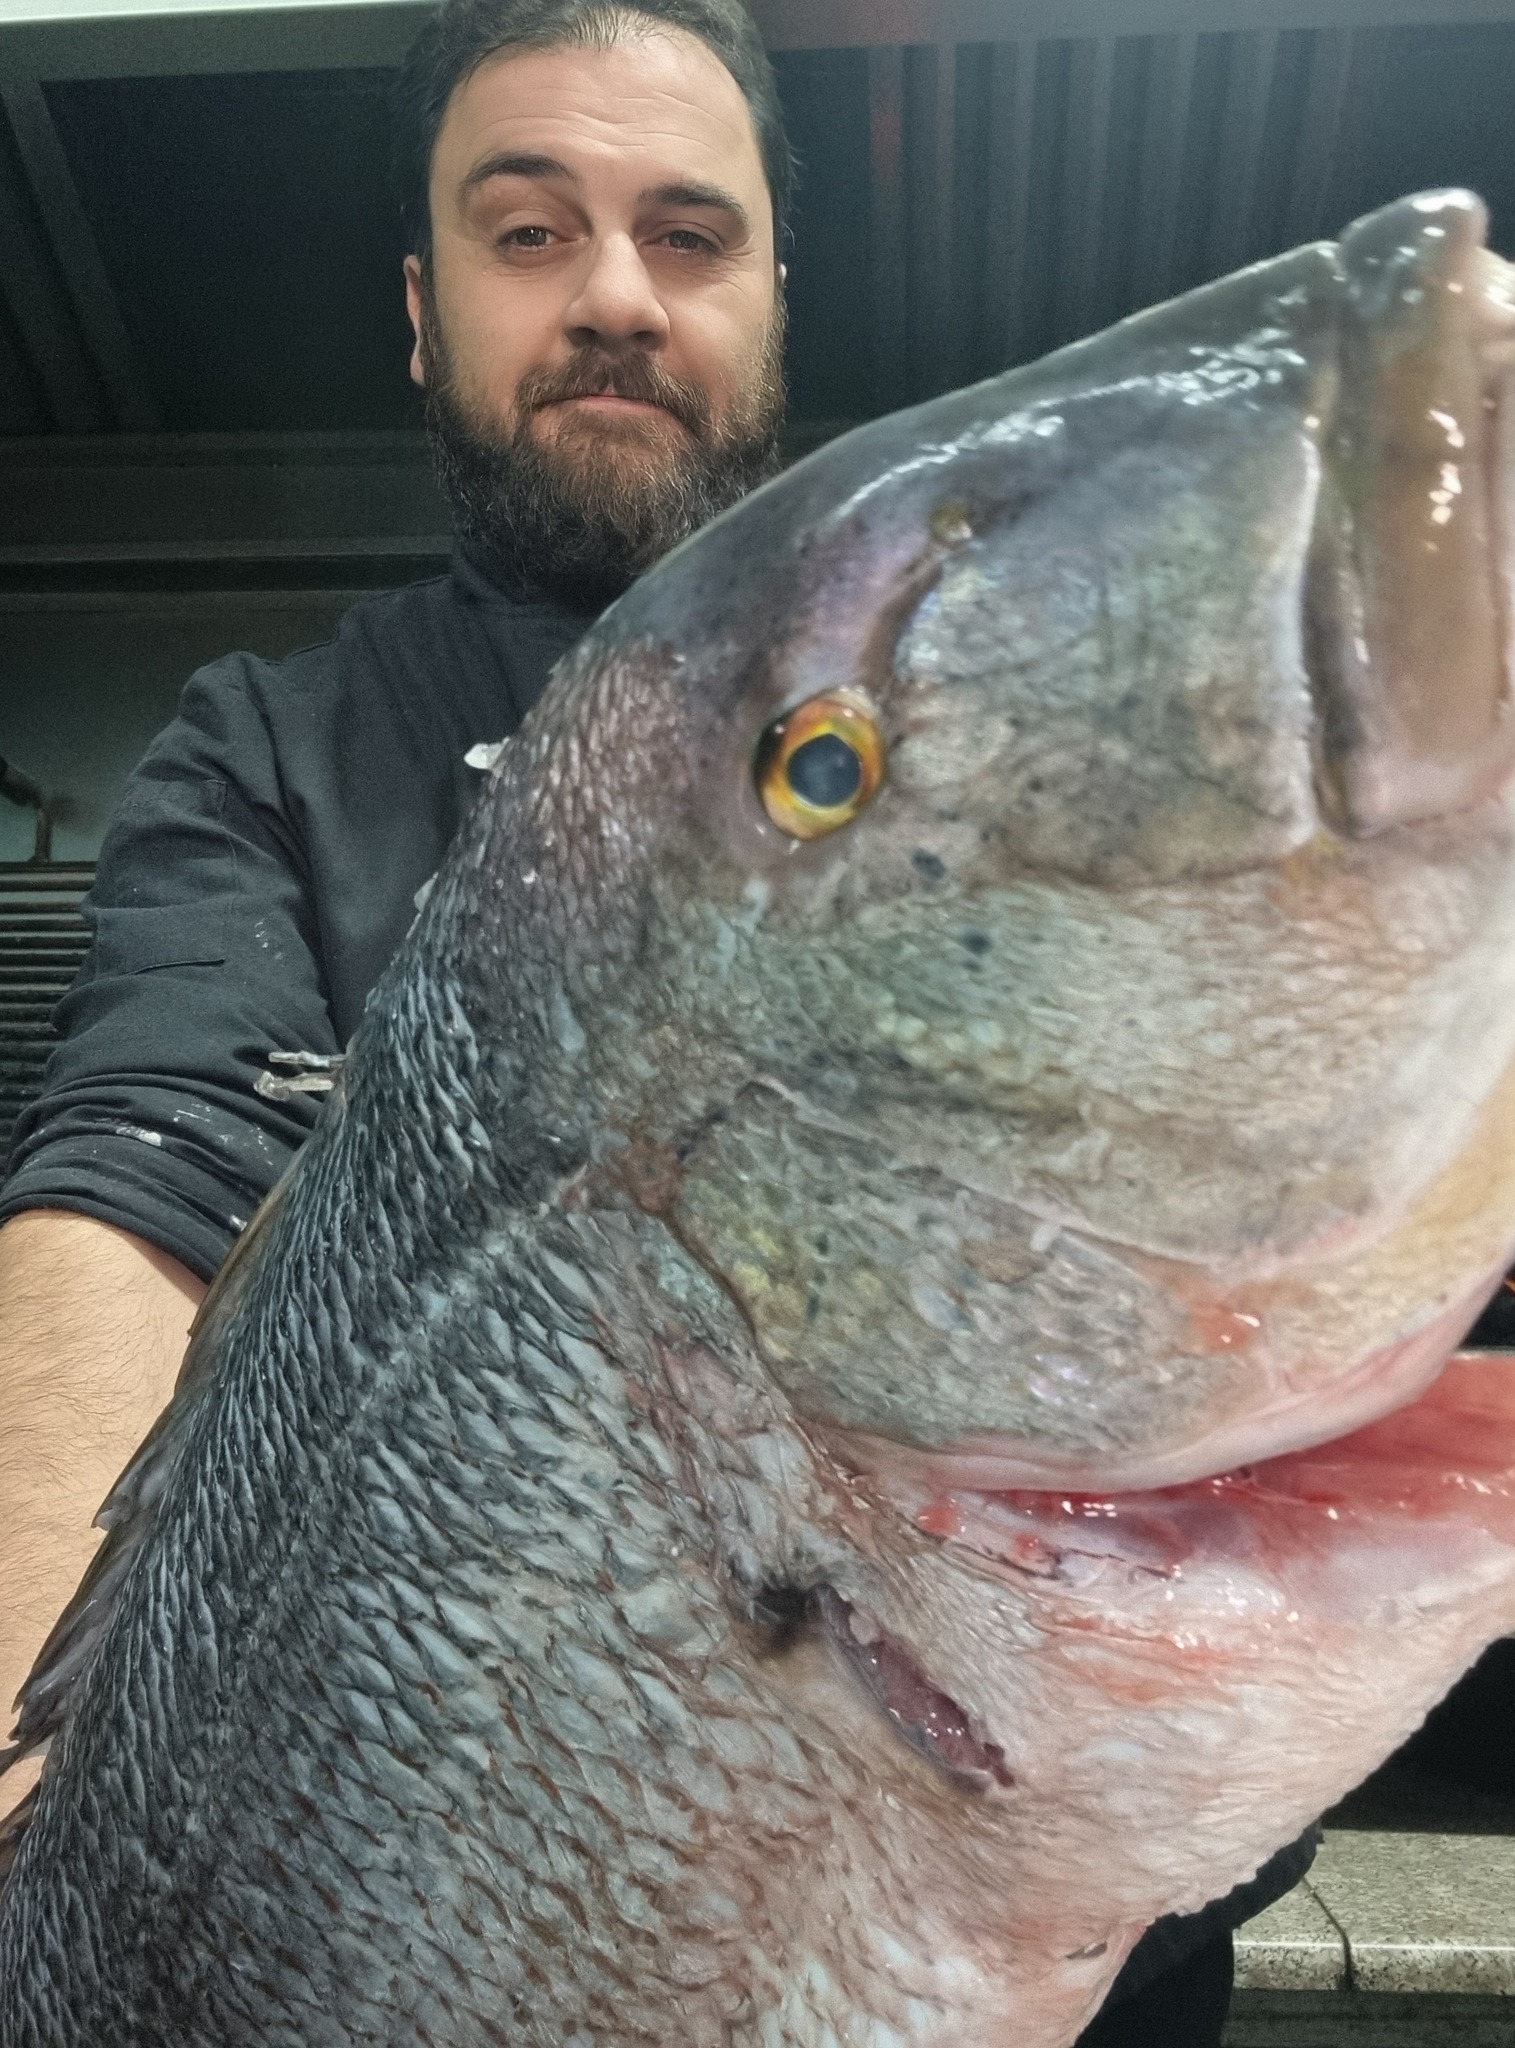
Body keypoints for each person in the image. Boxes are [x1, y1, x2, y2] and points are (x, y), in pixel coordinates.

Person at [0, 1, 1310, 2035]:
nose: (617, 293)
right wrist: (42, 1886)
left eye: (690, 234)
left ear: (775, 298)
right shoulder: (268, 749)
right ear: (423, 310)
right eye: (530, 232)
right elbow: (132, 1180)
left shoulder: (982, 718)